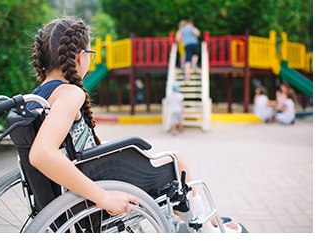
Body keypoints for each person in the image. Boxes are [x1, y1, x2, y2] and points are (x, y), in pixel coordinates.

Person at [28, 16, 241, 232]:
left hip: (93, 173)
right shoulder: (70, 93)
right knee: (177, 161)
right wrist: (103, 197)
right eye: (91, 55)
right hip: (100, 182)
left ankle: (199, 220)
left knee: (160, 162)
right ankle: (208, 231)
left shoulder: (37, 96)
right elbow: (42, 153)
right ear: (81, 57)